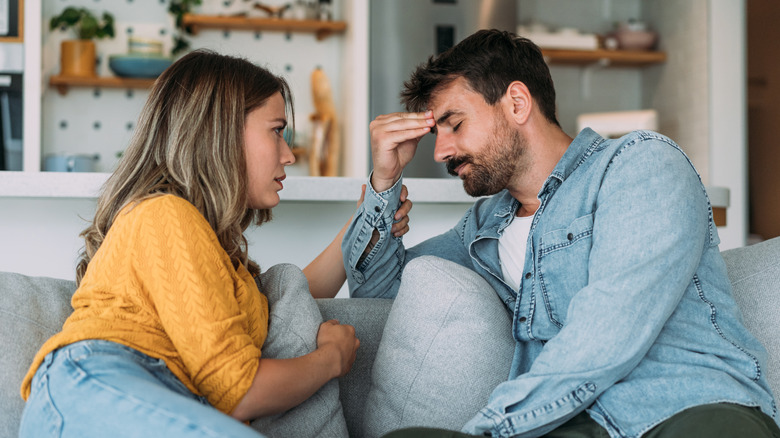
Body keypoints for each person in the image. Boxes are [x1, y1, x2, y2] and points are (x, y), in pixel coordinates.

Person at [342, 29, 780, 438]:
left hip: (687, 408)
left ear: (517, 103)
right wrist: (385, 181)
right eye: (436, 134)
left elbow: (608, 330)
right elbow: (380, 293)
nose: (441, 152)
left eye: (454, 124)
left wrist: (491, 429)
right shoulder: (484, 227)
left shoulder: (639, 164)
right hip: (572, 422)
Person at [18, 49, 412, 438]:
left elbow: (291, 296)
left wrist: (371, 213)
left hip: (144, 393)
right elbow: (239, 392)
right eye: (277, 131)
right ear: (221, 132)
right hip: (99, 385)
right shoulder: (163, 214)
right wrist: (331, 359)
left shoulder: (215, 256)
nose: (289, 155)